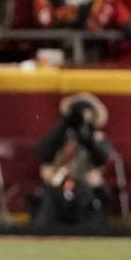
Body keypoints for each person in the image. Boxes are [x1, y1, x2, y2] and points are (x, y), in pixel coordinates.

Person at [34, 92, 112, 229]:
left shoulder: (99, 139)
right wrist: (64, 125)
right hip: (57, 190)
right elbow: (43, 153)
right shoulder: (60, 137)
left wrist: (87, 139)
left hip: (87, 190)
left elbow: (101, 159)